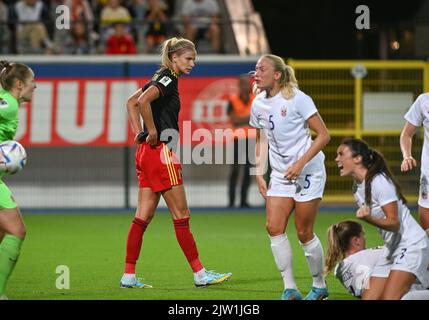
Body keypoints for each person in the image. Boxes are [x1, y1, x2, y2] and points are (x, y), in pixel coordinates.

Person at [120, 37, 232, 289]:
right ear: (174, 58)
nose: (192, 63)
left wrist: (139, 134)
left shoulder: (159, 76)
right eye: (188, 59)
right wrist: (151, 131)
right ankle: (200, 274)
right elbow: (141, 102)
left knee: (142, 217)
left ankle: (128, 275)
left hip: (145, 154)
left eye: (194, 59)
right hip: (160, 153)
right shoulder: (168, 78)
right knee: (181, 215)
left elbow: (131, 103)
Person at [249, 54, 331, 300]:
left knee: (304, 232)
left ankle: (319, 286)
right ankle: (290, 288)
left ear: (277, 75)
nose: (257, 73)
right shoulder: (258, 103)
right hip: (281, 174)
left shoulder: (298, 99)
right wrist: (259, 173)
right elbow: (260, 139)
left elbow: (324, 135)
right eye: (255, 69)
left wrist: (300, 163)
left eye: (262, 69)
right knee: (274, 227)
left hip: (308, 171)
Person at [334, 138, 429, 299]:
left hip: (411, 245)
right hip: (392, 248)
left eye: (341, 154)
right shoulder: (357, 187)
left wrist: (369, 219)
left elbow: (394, 223)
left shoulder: (379, 182)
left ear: (358, 158)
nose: (337, 159)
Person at [0, 61, 36, 299]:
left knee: (3, 234)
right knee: (16, 230)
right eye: (33, 83)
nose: (36, 87)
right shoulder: (9, 104)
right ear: (20, 84)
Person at [325, 220, 429, 300]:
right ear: (356, 241)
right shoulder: (364, 257)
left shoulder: (340, 269)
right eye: (363, 235)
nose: (365, 239)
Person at [400, 92, 429, 236]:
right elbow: (406, 134)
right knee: (427, 228)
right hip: (428, 175)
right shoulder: (424, 101)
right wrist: (407, 156)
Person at [227, 74, 255, 208]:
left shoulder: (255, 99)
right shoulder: (232, 100)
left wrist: (242, 119)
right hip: (238, 139)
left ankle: (244, 201)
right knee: (235, 170)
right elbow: (234, 120)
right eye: (244, 83)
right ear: (239, 85)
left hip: (252, 139)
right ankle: (232, 202)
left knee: (248, 171)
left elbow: (258, 118)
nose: (247, 86)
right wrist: (250, 118)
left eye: (248, 83)